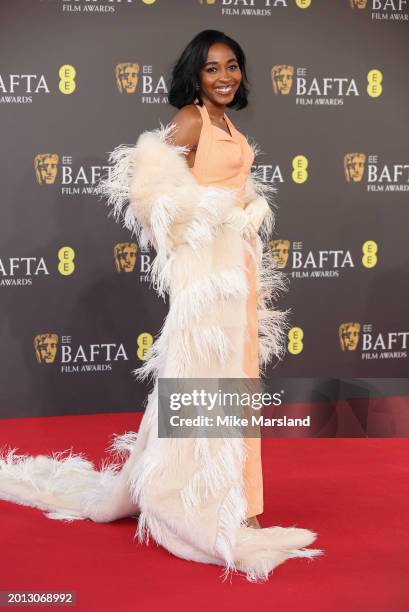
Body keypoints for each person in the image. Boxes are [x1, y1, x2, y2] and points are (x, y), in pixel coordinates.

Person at [0, 30, 323, 581]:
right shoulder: (192, 120)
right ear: (195, 74)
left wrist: (253, 204)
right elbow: (152, 194)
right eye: (213, 68)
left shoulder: (226, 125)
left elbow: (231, 185)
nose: (225, 77)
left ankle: (229, 499)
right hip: (206, 276)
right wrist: (218, 213)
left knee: (233, 380)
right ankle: (185, 502)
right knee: (201, 377)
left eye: (233, 67)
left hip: (237, 272)